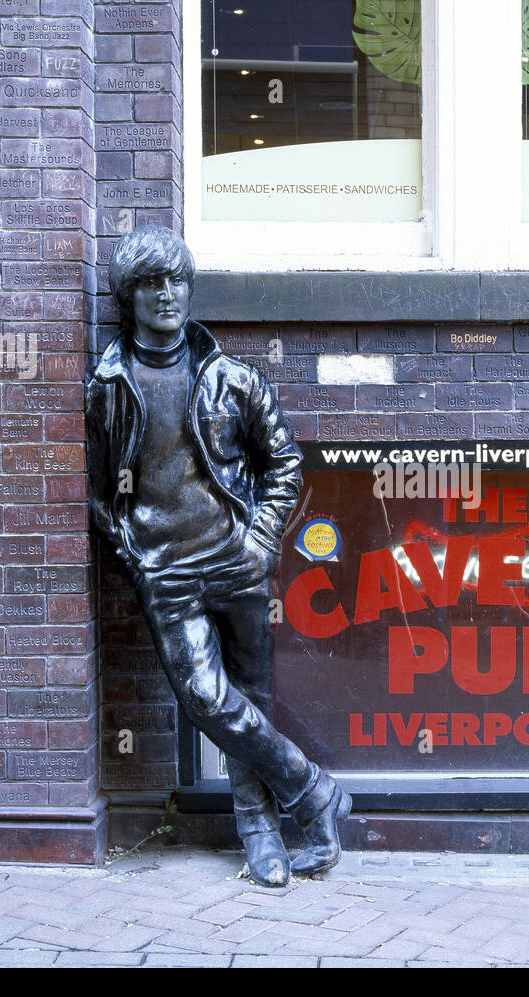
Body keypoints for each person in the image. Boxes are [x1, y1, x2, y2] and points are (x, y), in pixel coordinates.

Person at [86, 225, 349, 886]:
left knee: (249, 702)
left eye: (175, 279)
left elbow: (285, 462)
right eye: (150, 282)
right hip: (166, 571)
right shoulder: (109, 385)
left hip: (236, 561)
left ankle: (266, 836)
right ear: (128, 295)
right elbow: (96, 490)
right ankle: (315, 790)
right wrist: (134, 550)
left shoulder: (234, 379)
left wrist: (260, 539)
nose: (166, 294)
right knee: (207, 697)